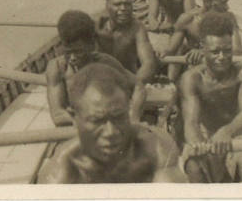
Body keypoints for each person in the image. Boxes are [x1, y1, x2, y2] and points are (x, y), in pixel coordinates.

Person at [37, 63, 187, 183]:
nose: (111, 132)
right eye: (97, 121)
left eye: (119, 117)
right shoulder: (62, 170)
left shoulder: (156, 147)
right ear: (74, 118)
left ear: (129, 109)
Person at [178, 12, 242, 183]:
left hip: (241, 136)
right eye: (215, 52)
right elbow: (191, 123)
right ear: (202, 48)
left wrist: (226, 131)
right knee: (194, 166)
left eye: (227, 50)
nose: (222, 57)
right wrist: (197, 143)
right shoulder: (192, 78)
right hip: (208, 138)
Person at [46, 10, 143, 126]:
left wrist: (135, 117)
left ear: (91, 45)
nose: (72, 58)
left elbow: (139, 87)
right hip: (76, 127)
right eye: (68, 52)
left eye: (78, 52)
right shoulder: (57, 68)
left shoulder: (105, 62)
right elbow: (57, 114)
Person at [94, 0, 157, 121]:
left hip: (130, 84)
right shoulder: (95, 27)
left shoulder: (137, 28)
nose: (123, 8)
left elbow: (148, 64)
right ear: (106, 6)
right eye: (117, 4)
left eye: (127, 4)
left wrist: (133, 87)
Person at [163, 0, 242, 82]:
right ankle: (171, 83)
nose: (227, 7)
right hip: (196, 69)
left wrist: (203, 52)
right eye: (223, 2)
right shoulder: (187, 20)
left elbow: (238, 52)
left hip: (219, 66)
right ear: (208, 1)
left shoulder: (229, 18)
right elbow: (171, 51)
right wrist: (161, 54)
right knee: (180, 47)